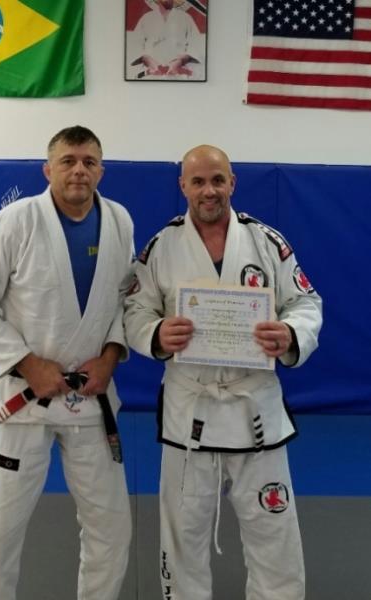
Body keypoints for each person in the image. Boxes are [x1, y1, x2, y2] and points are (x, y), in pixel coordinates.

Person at [124, 144, 322, 600]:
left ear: (232, 182)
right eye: (198, 181)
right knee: (183, 538)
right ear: (183, 187)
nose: (209, 190)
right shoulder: (162, 247)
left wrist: (291, 333)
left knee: (274, 535)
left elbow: (306, 302)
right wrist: (156, 333)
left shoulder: (266, 242)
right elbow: (134, 310)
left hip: (255, 408)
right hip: (190, 410)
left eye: (217, 180)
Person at [0, 126, 134, 600]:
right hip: (26, 400)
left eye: (89, 162)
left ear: (101, 170)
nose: (79, 170)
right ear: (47, 169)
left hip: (91, 398)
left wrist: (110, 357)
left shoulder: (119, 221)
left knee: (112, 527)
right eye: (68, 161)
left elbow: (126, 303)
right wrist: (27, 364)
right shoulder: (14, 221)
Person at [126, 0, 206, 80]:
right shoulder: (146, 18)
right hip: (151, 74)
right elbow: (135, 46)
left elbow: (196, 45)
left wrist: (181, 61)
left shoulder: (185, 18)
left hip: (179, 74)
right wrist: (148, 61)